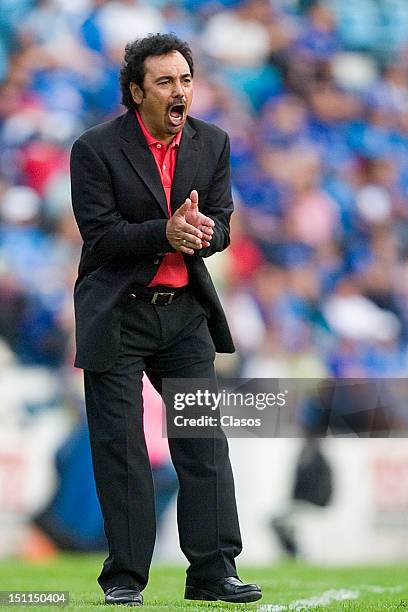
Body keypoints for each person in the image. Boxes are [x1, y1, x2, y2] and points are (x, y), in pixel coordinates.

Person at [70, 33, 262, 606]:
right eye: (164, 82)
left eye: (185, 80)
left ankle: (212, 572)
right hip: (118, 317)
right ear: (136, 92)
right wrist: (165, 232)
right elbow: (99, 237)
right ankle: (126, 579)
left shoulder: (214, 142)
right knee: (122, 448)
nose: (179, 92)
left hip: (183, 317)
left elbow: (221, 221)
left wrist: (206, 234)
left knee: (202, 442)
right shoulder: (95, 148)